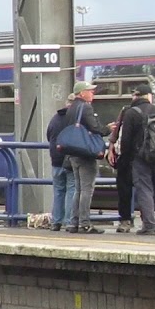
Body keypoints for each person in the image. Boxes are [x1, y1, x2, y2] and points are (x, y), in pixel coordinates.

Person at [108, 86, 155, 233]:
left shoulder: (132, 113)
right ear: (148, 97)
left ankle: (149, 226)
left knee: (145, 190)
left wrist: (125, 160)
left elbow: (125, 140)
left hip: (141, 159)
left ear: (136, 97)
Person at [67, 80, 111, 234]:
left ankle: (73, 223)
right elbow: (95, 128)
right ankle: (85, 223)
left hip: (73, 152)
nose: (93, 93)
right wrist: (108, 129)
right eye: (90, 91)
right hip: (86, 153)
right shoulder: (85, 107)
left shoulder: (71, 108)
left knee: (78, 189)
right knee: (87, 189)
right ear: (81, 93)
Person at [45, 94, 78, 232]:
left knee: (58, 191)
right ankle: (69, 221)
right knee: (71, 189)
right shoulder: (74, 119)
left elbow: (49, 136)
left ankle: (56, 222)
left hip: (55, 160)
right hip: (69, 160)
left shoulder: (55, 118)